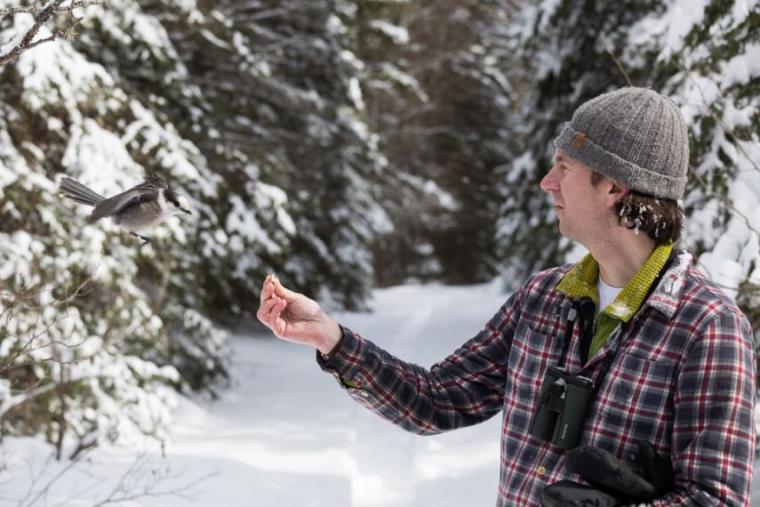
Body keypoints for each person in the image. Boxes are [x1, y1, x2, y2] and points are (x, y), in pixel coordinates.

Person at [257, 87, 756, 506]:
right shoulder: (545, 299)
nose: (547, 182)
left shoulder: (707, 328)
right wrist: (334, 340)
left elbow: (716, 498)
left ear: (615, 187)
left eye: (565, 166)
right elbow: (439, 400)